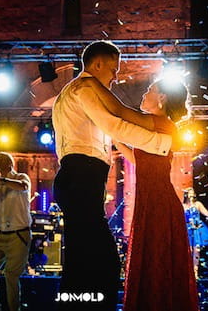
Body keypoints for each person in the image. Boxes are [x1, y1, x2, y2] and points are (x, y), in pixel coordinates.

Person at [51, 40, 174, 311]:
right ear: (97, 64)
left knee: (81, 257)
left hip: (79, 176)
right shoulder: (86, 87)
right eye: (113, 69)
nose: (115, 77)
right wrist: (161, 142)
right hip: (81, 175)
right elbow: (114, 123)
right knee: (103, 260)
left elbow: (112, 129)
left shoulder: (75, 91)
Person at [76, 76, 199, 311]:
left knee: (155, 260)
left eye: (150, 90)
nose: (144, 95)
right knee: (153, 260)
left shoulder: (158, 122)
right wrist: (115, 139)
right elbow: (137, 160)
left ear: (161, 98)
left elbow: (121, 113)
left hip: (159, 203)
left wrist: (95, 91)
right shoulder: (153, 126)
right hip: (151, 201)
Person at [0, 152, 33, 311]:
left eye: (3, 160)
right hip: (1, 235)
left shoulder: (21, 177)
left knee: (11, 275)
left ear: (10, 163)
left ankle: (13, 309)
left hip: (19, 235)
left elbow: (22, 187)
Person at [182, 187, 208, 279]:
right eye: (189, 193)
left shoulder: (197, 204)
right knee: (188, 250)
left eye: (192, 192)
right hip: (187, 229)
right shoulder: (183, 205)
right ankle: (187, 271)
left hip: (197, 229)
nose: (191, 194)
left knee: (196, 250)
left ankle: (195, 272)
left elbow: (207, 213)